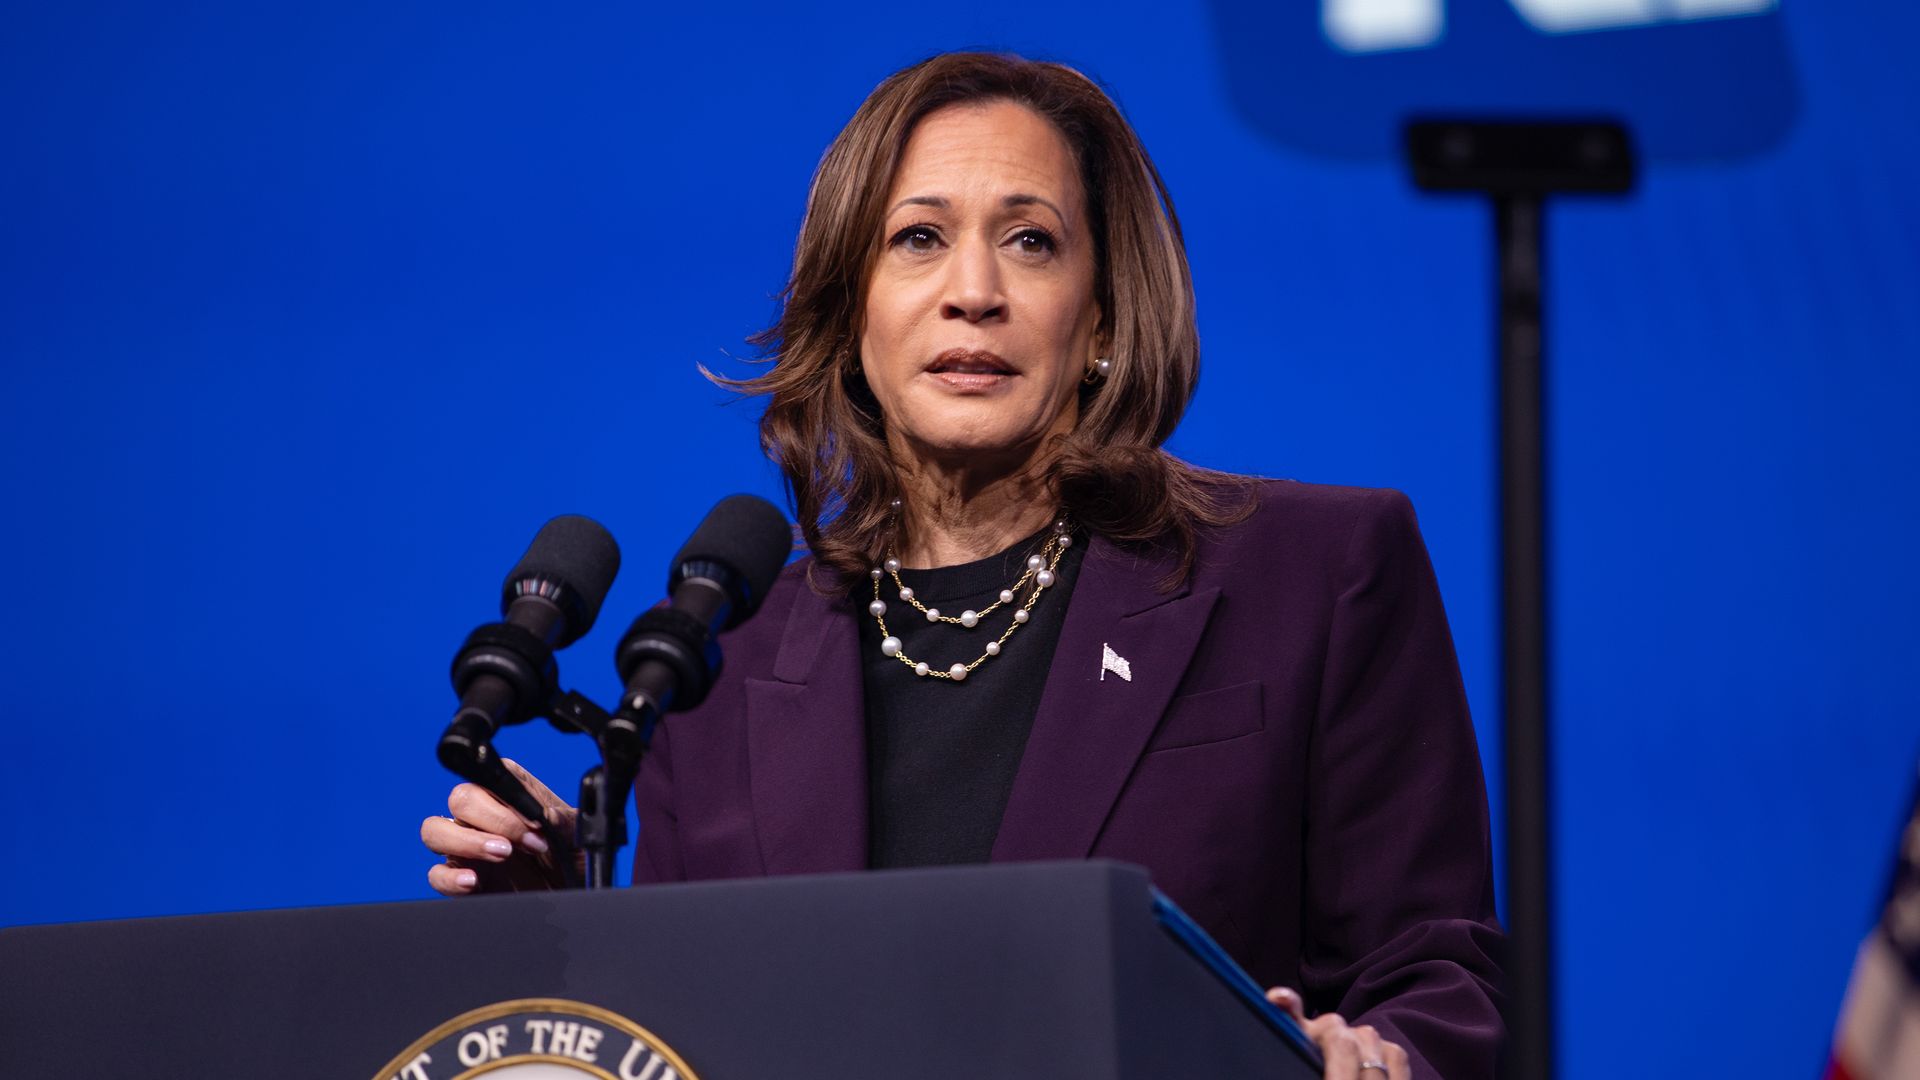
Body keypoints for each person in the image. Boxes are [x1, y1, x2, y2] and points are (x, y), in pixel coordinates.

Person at [419, 52, 1504, 1080]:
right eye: (918, 239)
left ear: (1104, 323)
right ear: (850, 318)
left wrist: (1378, 1054)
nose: (973, 291)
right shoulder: (716, 665)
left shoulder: (1313, 573)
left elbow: (1438, 979)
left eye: (1030, 242)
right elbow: (701, 1038)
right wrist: (569, 927)